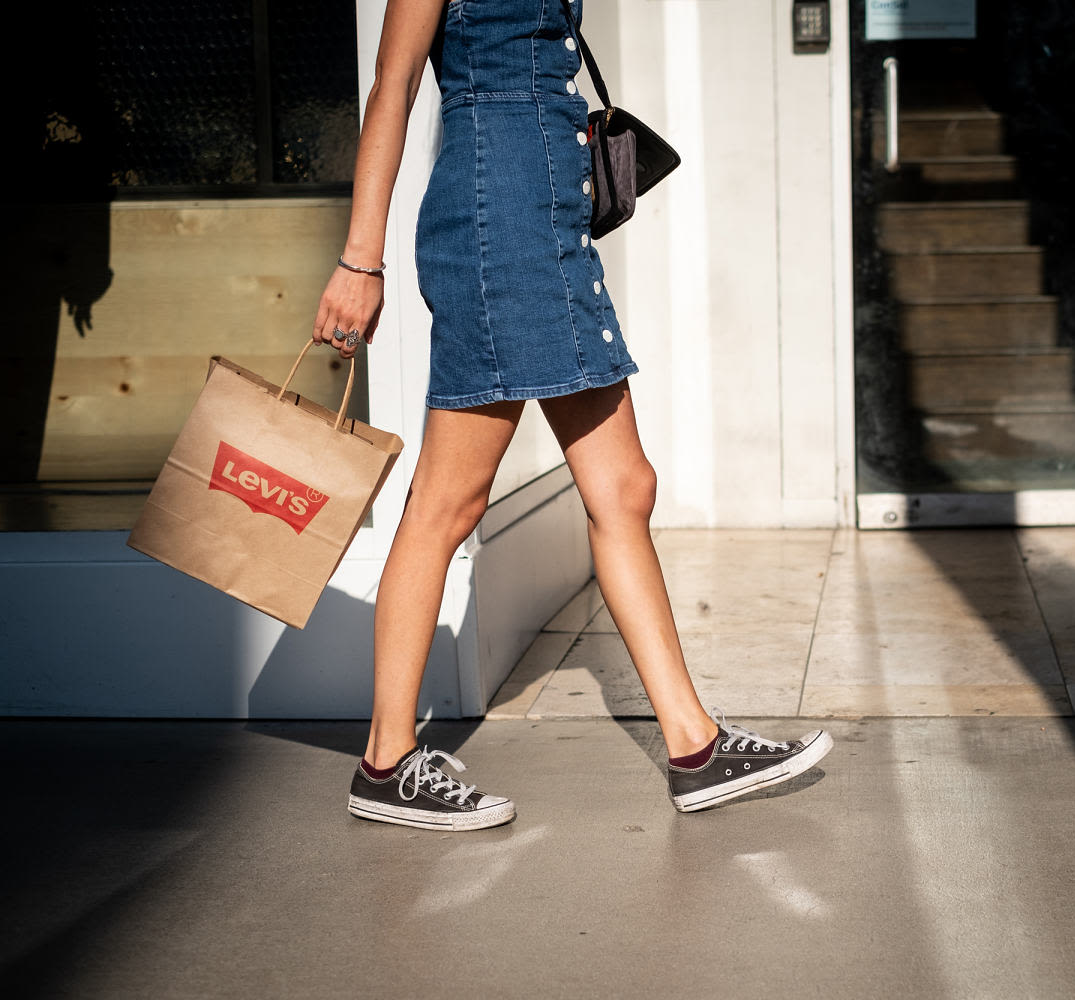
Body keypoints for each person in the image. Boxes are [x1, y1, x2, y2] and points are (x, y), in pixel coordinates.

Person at [313, 0, 831, 831]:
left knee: (623, 486)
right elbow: (394, 83)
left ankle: (695, 749)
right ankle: (384, 761)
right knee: (449, 502)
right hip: (498, 224)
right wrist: (359, 260)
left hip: (543, 219)